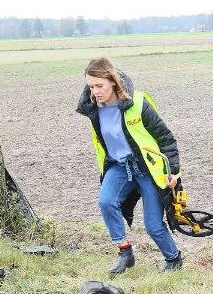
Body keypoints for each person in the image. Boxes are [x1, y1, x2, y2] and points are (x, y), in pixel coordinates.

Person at [76, 57, 183, 275]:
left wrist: (174, 172)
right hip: (118, 167)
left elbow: (166, 138)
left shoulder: (138, 103)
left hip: (147, 168)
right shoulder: (93, 111)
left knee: (153, 225)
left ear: (113, 82)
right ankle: (125, 253)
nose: (95, 91)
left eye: (99, 86)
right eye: (91, 86)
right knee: (106, 202)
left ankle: (174, 259)